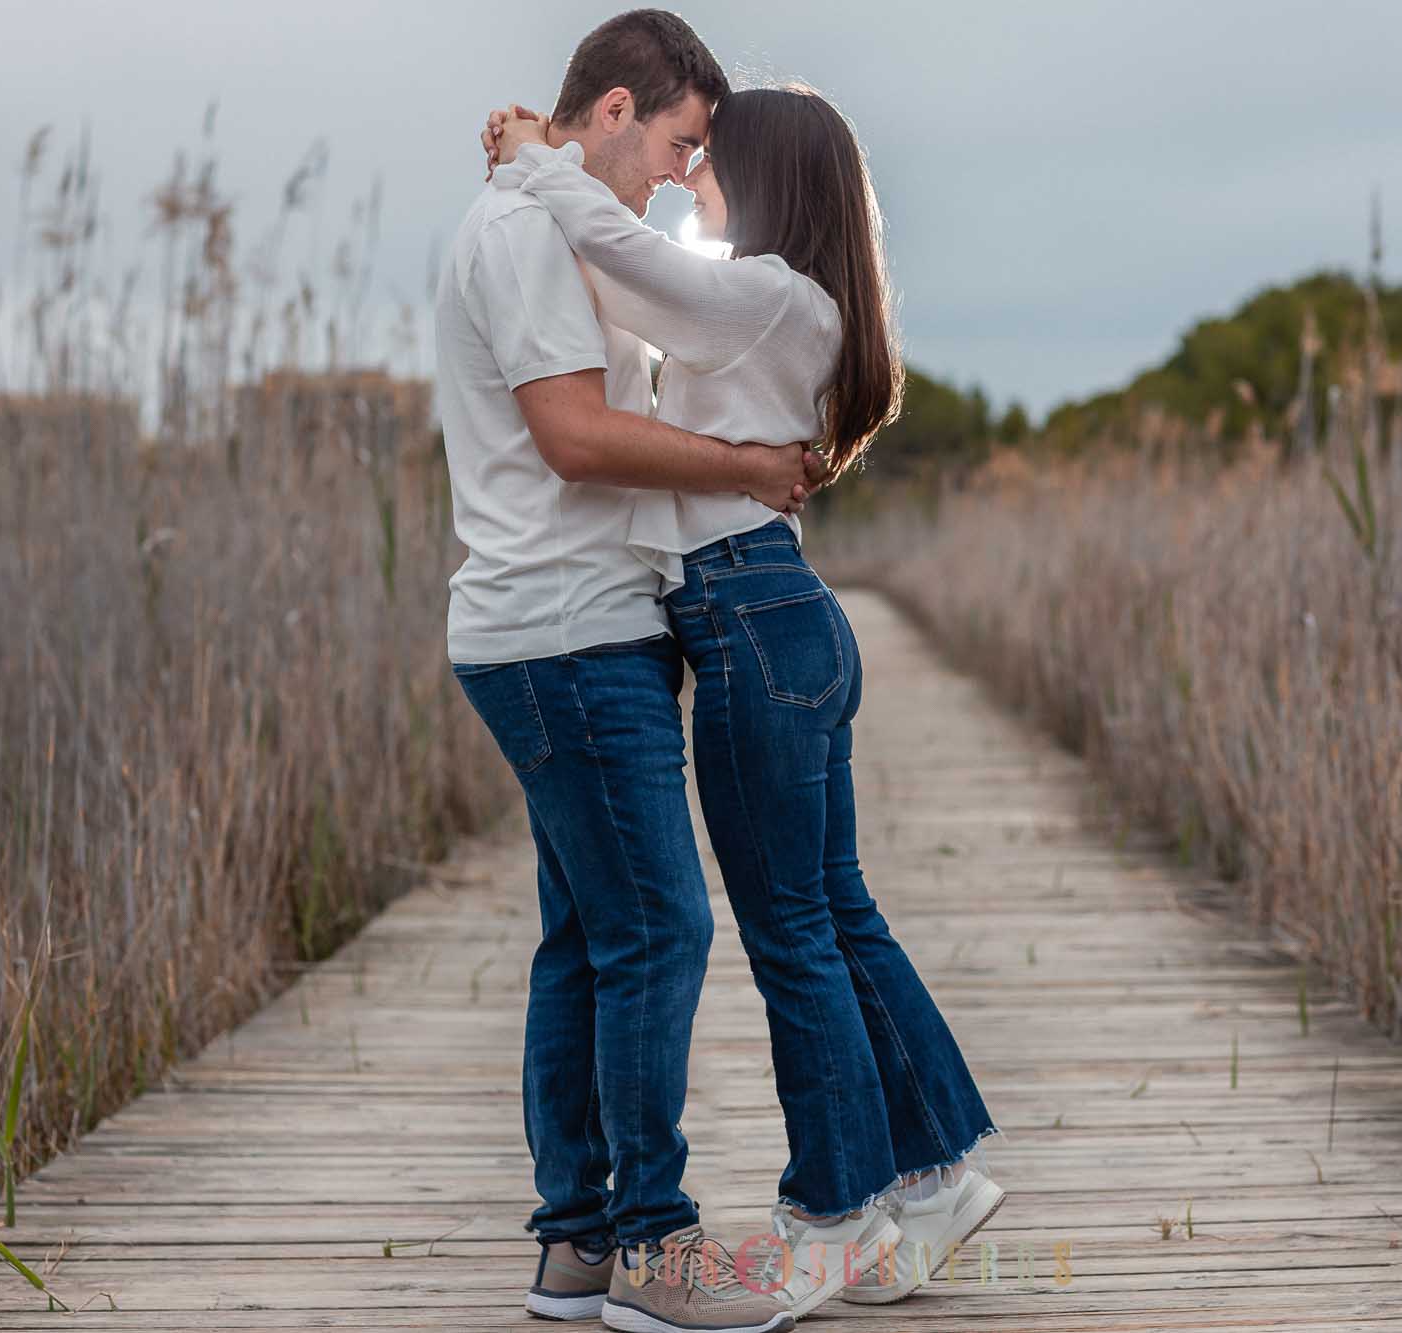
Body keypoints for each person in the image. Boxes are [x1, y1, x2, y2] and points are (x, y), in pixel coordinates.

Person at [480, 76, 1005, 1318]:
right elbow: (626, 285)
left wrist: (527, 157)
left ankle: (835, 1208)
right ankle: (929, 1173)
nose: (690, 173)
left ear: (763, 175)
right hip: (777, 613)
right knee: (833, 910)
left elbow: (612, 251)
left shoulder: (765, 297)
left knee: (790, 934)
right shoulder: (786, 306)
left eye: (709, 155)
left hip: (741, 616)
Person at [435, 12, 819, 1332]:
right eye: (675, 141)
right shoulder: (528, 236)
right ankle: (655, 1254)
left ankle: (579, 1249)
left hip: (576, 626)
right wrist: (753, 471)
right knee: (660, 926)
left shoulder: (561, 226)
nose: (675, 171)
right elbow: (578, 440)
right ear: (611, 111)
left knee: (591, 942)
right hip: (564, 631)